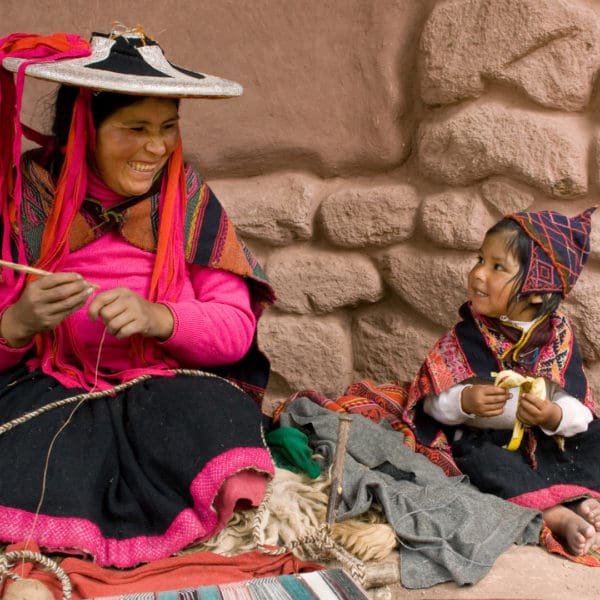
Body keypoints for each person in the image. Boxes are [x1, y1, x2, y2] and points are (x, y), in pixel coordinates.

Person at [0, 27, 276, 568]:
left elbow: (234, 328)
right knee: (36, 452)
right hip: (48, 388)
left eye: (168, 128)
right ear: (86, 130)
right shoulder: (26, 197)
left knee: (217, 421)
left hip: (165, 389)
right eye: (136, 129)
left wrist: (160, 318)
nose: (157, 147)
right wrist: (17, 323)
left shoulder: (186, 198)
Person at [406, 208, 600, 558]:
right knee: (481, 462)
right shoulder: (468, 336)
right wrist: (465, 402)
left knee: (596, 437)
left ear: (537, 290)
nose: (478, 273)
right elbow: (430, 400)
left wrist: (553, 415)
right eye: (481, 259)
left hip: (549, 443)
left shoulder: (560, 337)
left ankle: (581, 497)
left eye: (498, 267)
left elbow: (579, 409)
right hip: (488, 440)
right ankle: (555, 514)